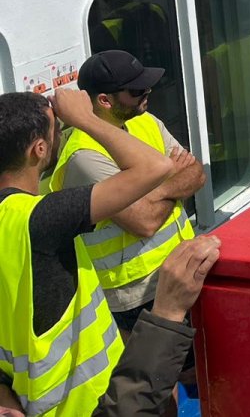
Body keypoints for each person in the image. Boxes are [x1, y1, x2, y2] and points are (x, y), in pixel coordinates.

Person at [0, 88, 172, 416]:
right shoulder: (40, 219)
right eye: (58, 129)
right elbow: (155, 166)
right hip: (86, 404)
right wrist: (85, 118)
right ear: (38, 149)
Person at [47, 51, 205, 342]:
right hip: (136, 292)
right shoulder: (84, 157)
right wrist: (170, 178)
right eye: (136, 90)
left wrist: (156, 190)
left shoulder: (145, 121)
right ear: (105, 101)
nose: (147, 93)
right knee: (160, 364)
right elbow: (144, 221)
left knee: (197, 360)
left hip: (180, 268)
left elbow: (196, 173)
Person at [89, 235, 221, 417]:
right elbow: (145, 222)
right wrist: (168, 313)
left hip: (172, 276)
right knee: (184, 373)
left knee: (181, 373)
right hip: (139, 290)